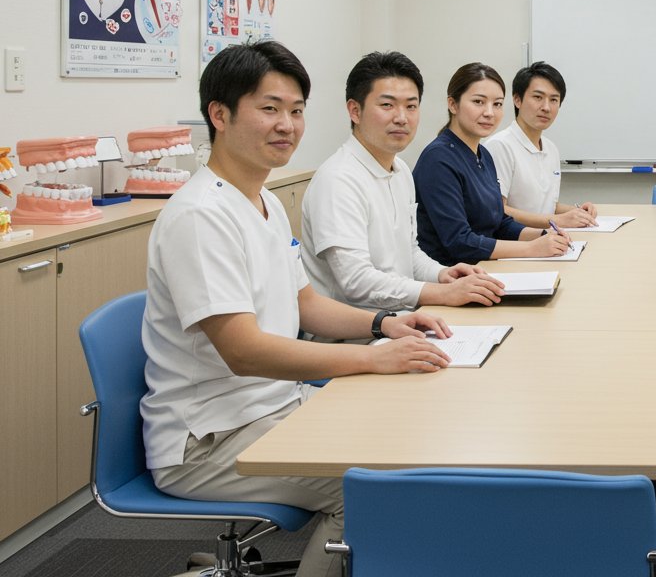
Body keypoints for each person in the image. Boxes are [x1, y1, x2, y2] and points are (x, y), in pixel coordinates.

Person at [141, 41, 457, 577]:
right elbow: (243, 351)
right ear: (219, 115)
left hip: (272, 407)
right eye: (269, 109)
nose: (286, 124)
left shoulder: (261, 202)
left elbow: (305, 304)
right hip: (209, 438)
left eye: (296, 110)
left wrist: (385, 323)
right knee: (372, 490)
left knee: (408, 438)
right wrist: (372, 358)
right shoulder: (201, 216)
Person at [301, 51, 506, 313]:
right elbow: (355, 281)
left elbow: (409, 254)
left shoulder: (400, 170)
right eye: (387, 105)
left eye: (411, 106)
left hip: (403, 319)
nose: (402, 117)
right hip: (354, 339)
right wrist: (441, 293)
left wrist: (443, 275)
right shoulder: (338, 180)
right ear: (355, 110)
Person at [414, 62, 572, 262]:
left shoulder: (483, 155)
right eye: (479, 102)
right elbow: (459, 242)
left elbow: (500, 223)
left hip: (486, 268)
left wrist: (543, 235)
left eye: (497, 104)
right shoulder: (438, 159)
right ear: (453, 104)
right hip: (452, 278)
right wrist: (532, 248)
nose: (489, 112)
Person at [482, 61, 598, 229]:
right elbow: (498, 211)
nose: (546, 107)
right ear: (517, 100)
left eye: (554, 100)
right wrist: (555, 221)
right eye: (538, 97)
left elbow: (547, 206)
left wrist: (577, 212)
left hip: (547, 239)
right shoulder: (500, 146)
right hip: (516, 243)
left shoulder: (551, 149)